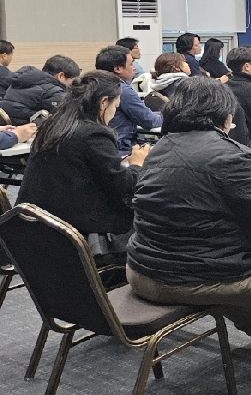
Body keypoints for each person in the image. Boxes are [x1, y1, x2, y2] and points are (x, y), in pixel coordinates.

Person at [125, 79, 251, 348]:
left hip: (142, 271)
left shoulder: (159, 148)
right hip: (187, 279)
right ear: (226, 116)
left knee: (223, 271)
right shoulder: (228, 155)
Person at [17, 71, 144, 263]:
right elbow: (124, 188)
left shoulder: (54, 124)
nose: (114, 113)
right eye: (115, 107)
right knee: (149, 219)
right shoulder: (94, 134)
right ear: (103, 103)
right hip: (75, 232)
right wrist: (136, 165)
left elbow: (75, 166)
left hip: (37, 225)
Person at [95, 44, 161, 155]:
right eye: (131, 63)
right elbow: (149, 121)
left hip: (102, 148)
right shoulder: (121, 90)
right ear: (117, 69)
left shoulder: (91, 85)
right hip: (121, 149)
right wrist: (168, 115)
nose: (134, 67)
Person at [0, 54, 80, 124]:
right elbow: (70, 113)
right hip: (27, 132)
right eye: (72, 80)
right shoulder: (53, 91)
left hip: (8, 129)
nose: (72, 85)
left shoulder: (23, 81)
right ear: (61, 75)